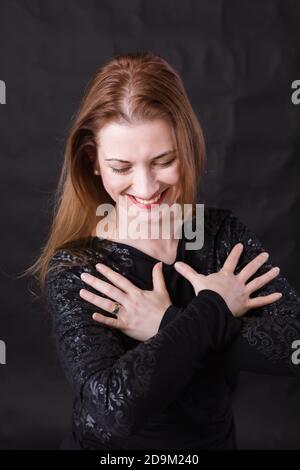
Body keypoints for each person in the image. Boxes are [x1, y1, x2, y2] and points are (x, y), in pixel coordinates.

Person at [27, 52, 300, 450]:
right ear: (93, 163)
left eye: (163, 161)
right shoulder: (78, 268)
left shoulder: (218, 234)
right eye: (122, 167)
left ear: (186, 148)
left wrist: (167, 321)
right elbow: (115, 408)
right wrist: (212, 308)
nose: (146, 186)